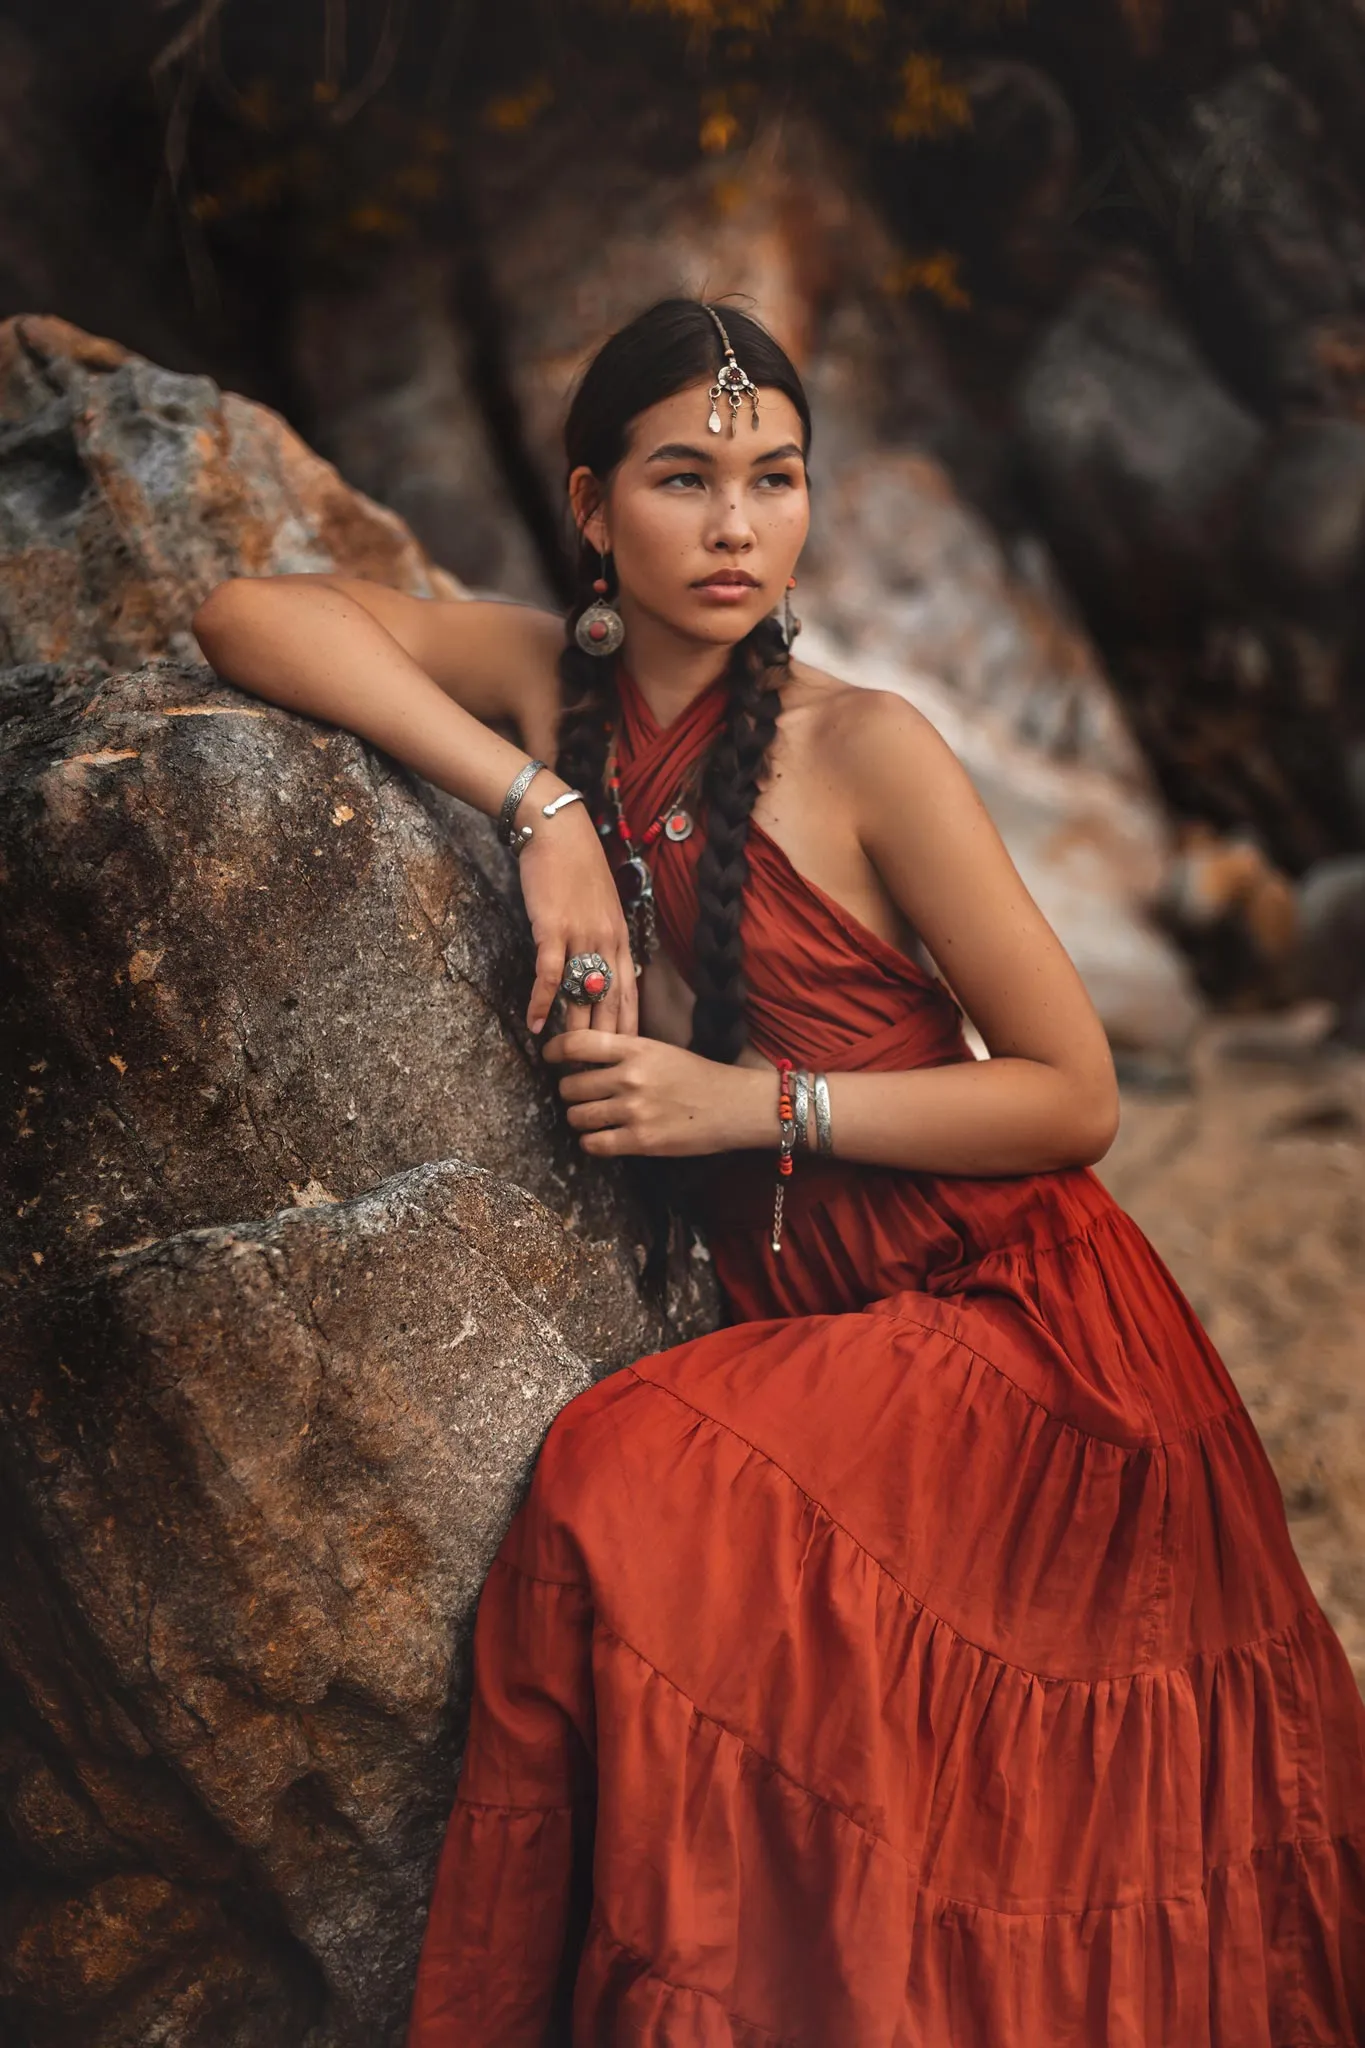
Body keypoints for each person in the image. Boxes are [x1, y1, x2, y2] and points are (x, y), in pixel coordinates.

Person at [191, 297, 1365, 2048]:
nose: (737, 525)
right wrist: (543, 809)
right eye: (685, 479)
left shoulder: (870, 751)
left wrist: (754, 1111)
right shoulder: (551, 691)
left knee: (621, 1471)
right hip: (822, 1329)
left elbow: (1076, 1096)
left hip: (1015, 1342)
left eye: (775, 478)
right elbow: (245, 612)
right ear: (592, 508)